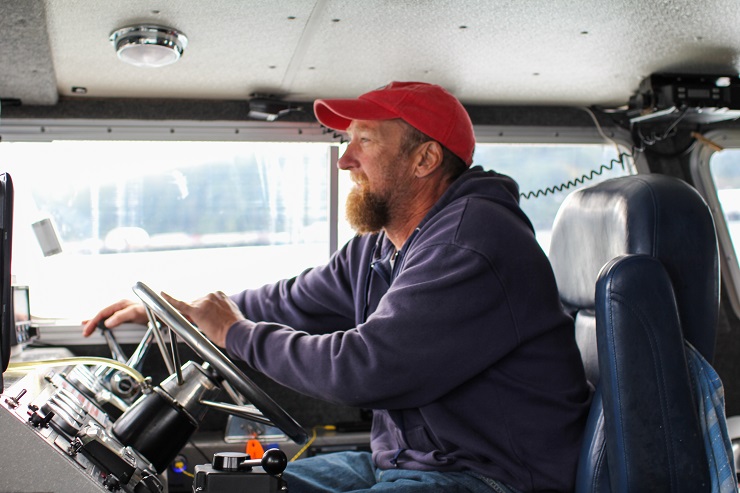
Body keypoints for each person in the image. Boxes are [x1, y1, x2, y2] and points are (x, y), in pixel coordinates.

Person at [83, 81, 591, 493]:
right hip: (404, 464)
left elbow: (365, 368)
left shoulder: (471, 243)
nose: (344, 160)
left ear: (425, 160)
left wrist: (235, 334)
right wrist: (187, 312)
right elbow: (290, 302)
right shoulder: (382, 244)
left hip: (491, 477)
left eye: (364, 141)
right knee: (222, 488)